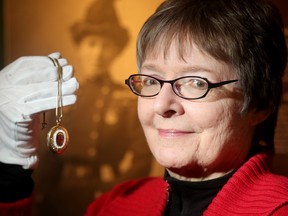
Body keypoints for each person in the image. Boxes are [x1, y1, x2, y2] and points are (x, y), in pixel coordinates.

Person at [0, 0, 288, 215]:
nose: (161, 105)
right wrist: (11, 176)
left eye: (196, 82)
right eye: (151, 80)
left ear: (259, 103)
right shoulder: (114, 205)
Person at [33, 0, 153, 215]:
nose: (98, 53)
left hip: (105, 197)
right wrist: (42, 195)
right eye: (91, 44)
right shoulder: (64, 97)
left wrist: (114, 192)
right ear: (80, 47)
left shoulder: (125, 99)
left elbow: (142, 159)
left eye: (106, 46)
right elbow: (49, 155)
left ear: (115, 51)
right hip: (61, 197)